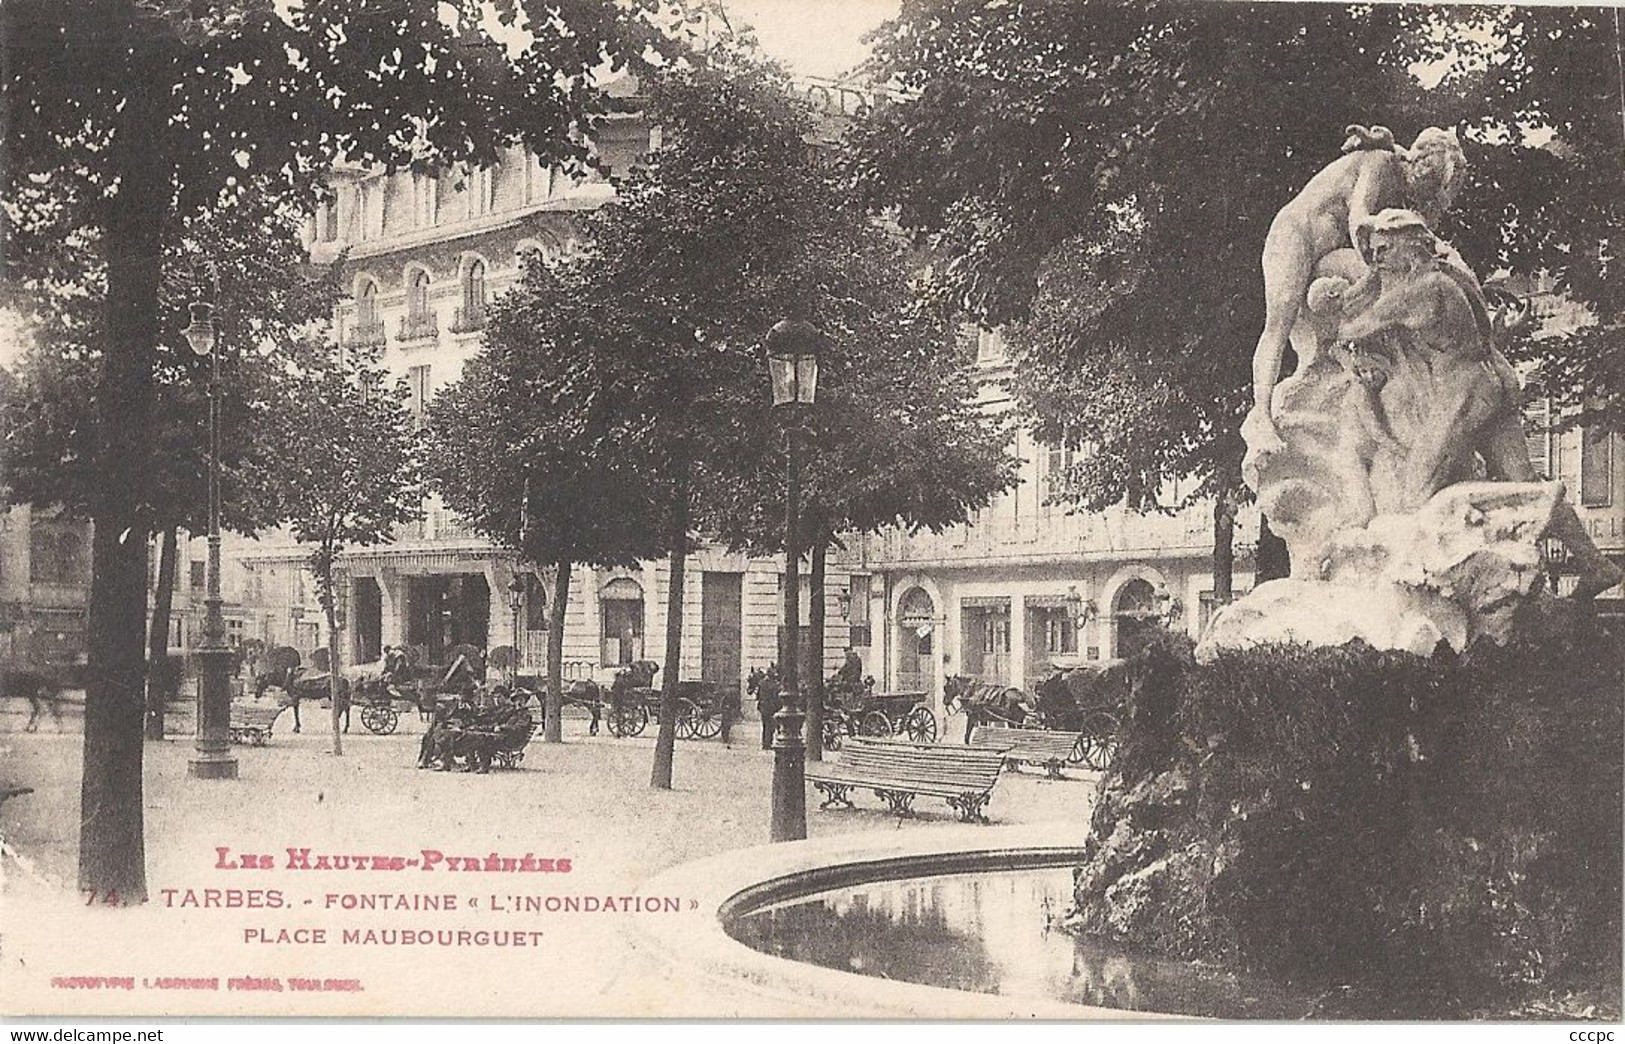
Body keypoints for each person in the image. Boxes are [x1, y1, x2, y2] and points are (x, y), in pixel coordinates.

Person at [1244, 125, 1466, 464]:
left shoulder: (1401, 188)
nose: (1426, 198)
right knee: (1280, 320)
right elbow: (1359, 219)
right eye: (1428, 186)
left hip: (1327, 253)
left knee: (1383, 302)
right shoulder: (1381, 163)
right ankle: (1260, 416)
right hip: (1295, 234)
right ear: (1418, 164)